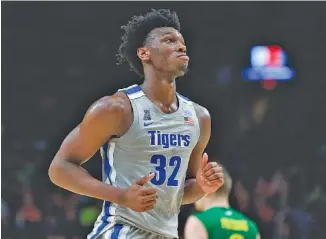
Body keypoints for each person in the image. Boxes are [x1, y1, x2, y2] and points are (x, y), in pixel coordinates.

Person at [48, 9, 224, 239]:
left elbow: (179, 193)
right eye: (170, 41)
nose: (181, 47)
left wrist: (202, 187)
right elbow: (59, 168)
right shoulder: (116, 109)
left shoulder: (200, 117)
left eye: (182, 43)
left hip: (166, 234)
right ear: (144, 53)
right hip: (121, 231)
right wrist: (120, 196)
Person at [184, 168, 261, 239]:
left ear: (208, 189)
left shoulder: (198, 221)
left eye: (197, 188)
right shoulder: (252, 227)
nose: (194, 196)